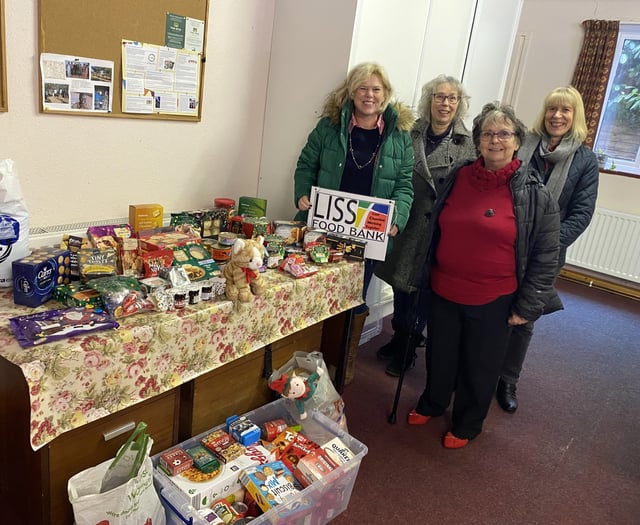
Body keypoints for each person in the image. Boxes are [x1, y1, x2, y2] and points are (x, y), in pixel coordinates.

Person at [407, 102, 560, 448]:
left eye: (504, 133)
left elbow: (546, 254)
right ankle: (433, 401)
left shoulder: (534, 192)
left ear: (517, 141)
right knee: (440, 354)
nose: (496, 140)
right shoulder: (459, 175)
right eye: (488, 133)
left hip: (494, 296)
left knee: (480, 364)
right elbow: (436, 227)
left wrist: (528, 305)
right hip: (445, 287)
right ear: (477, 141)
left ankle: (467, 422)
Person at [293, 62, 415, 384]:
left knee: (354, 295)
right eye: (363, 88)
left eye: (376, 89)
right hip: (325, 227)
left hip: (370, 233)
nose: (369, 95)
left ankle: (342, 362)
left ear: (385, 94)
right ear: (351, 91)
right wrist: (303, 194)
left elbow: (404, 185)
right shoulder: (329, 126)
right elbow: (306, 165)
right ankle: (305, 358)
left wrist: (397, 219)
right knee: (314, 289)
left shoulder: (400, 136)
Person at [496, 86, 599, 413]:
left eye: (565, 110)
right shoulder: (523, 145)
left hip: (546, 253)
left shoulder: (585, 160)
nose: (557, 116)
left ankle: (508, 379)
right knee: (494, 308)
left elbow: (581, 214)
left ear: (575, 116)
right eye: (552, 109)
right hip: (505, 243)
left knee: (524, 317)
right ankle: (481, 368)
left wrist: (545, 243)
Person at [374, 74, 476, 377]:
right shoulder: (409, 131)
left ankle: (408, 344)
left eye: (452, 98)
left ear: (459, 104)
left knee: (421, 290)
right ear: (429, 100)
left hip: (436, 230)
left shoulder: (467, 145)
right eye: (439, 97)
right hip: (406, 220)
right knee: (399, 283)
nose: (445, 104)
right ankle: (398, 335)